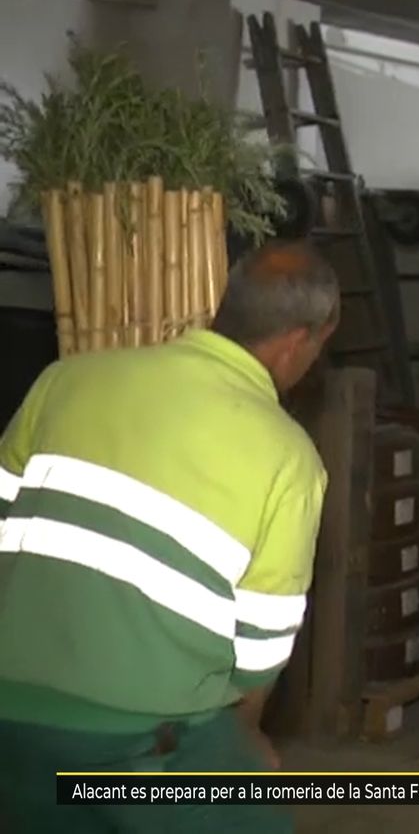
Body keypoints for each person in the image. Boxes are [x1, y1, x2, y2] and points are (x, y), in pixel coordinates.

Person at [0, 241, 340, 833]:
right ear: (300, 340)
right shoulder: (289, 458)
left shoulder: (65, 380)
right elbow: (261, 646)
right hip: (132, 742)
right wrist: (247, 736)